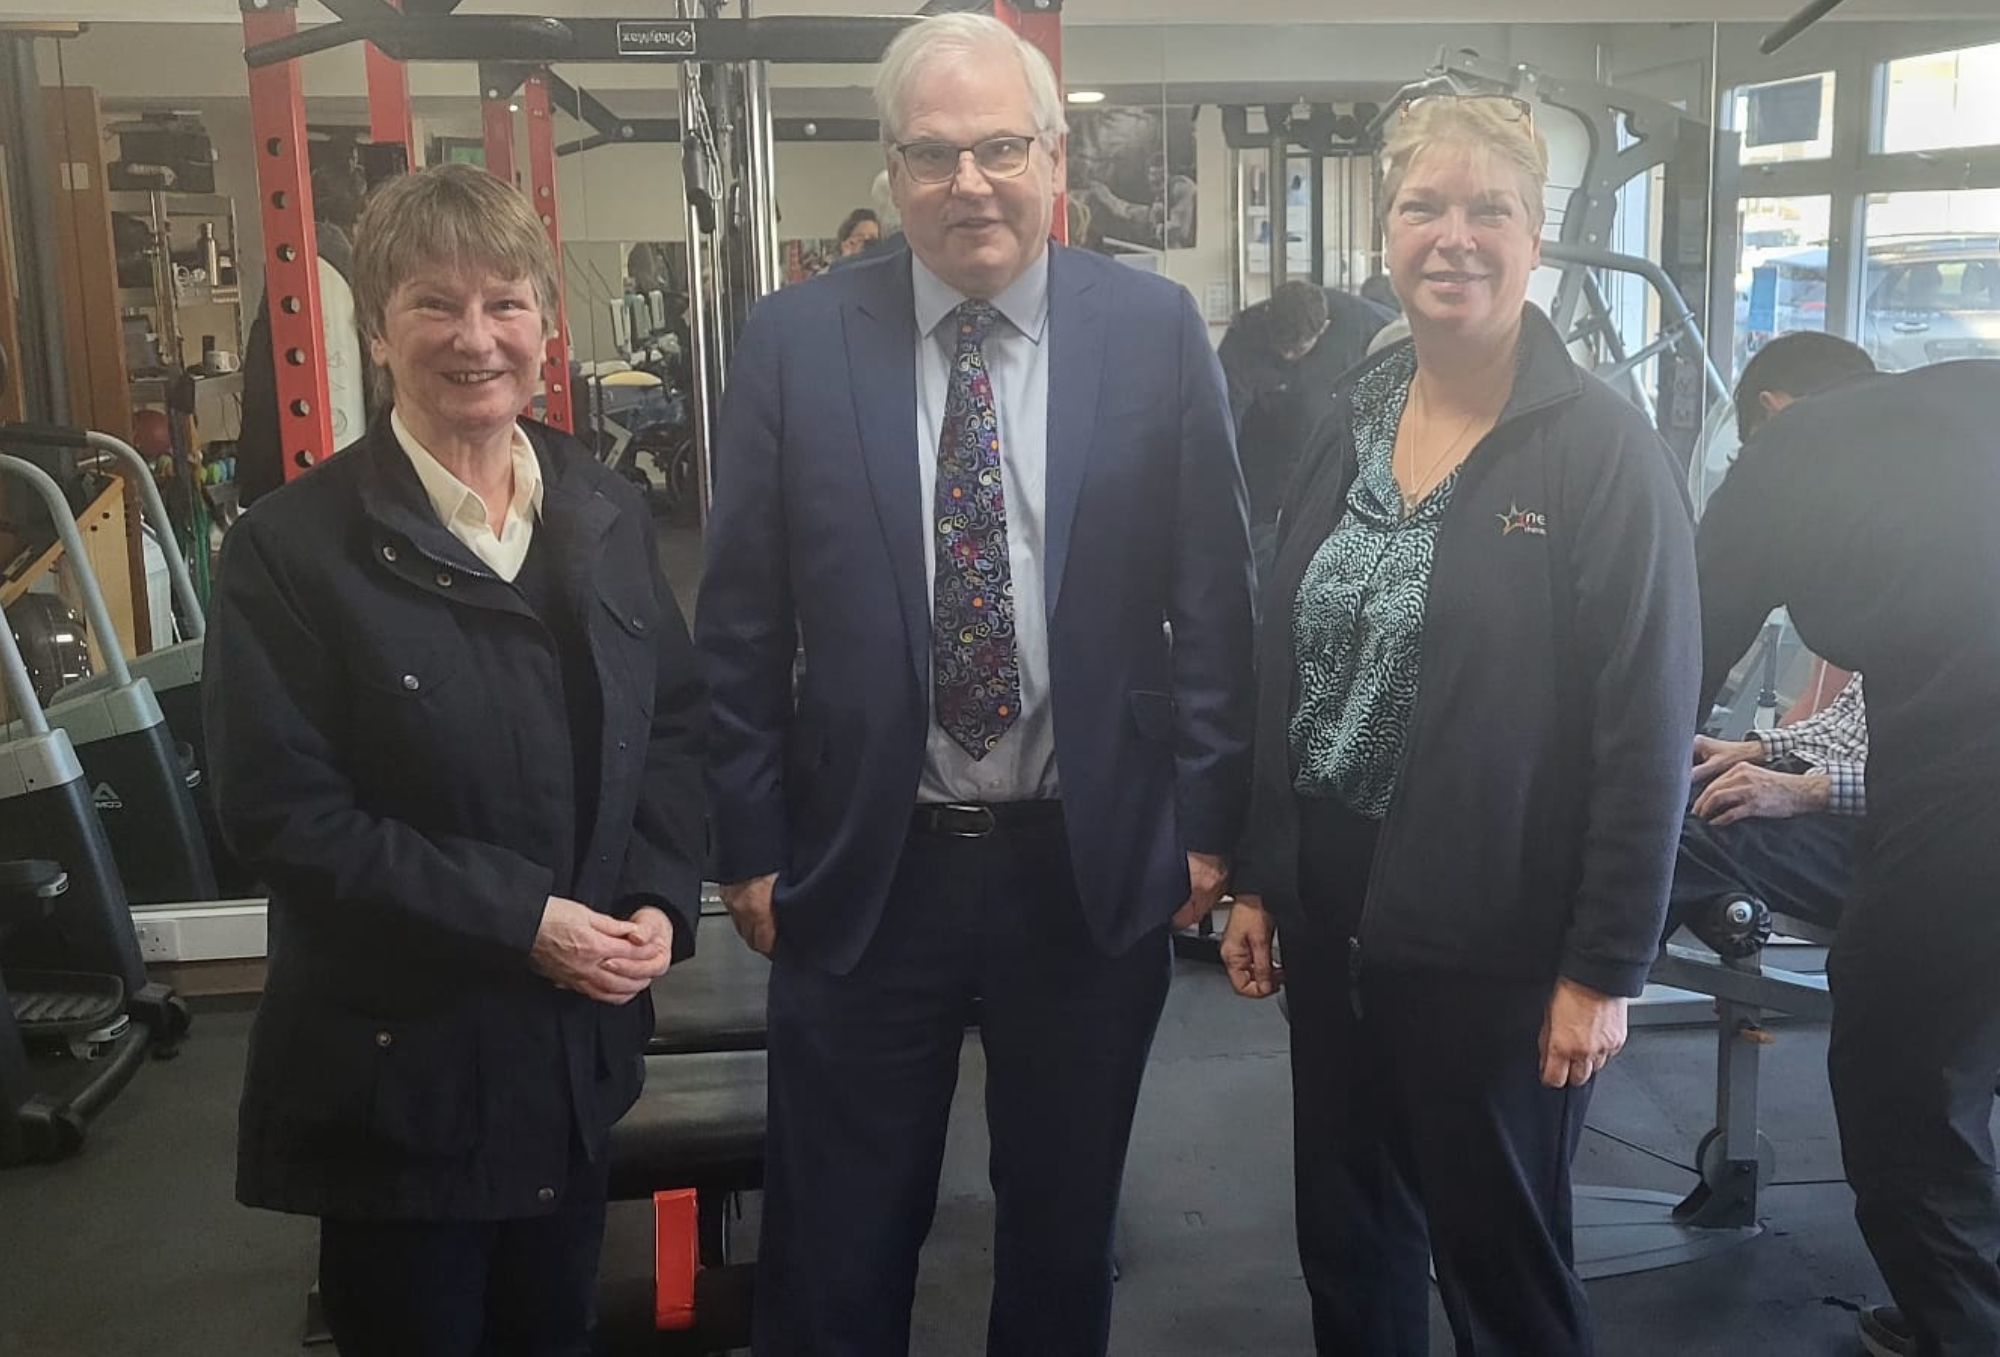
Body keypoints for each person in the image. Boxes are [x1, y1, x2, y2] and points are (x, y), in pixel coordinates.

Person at [697, 14, 1255, 1355]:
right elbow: (738, 623)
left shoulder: (1156, 329)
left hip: (1086, 862)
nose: (970, 183)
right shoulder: (794, 342)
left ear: (1055, 157)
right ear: (893, 171)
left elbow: (1216, 601)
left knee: (1064, 1232)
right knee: (836, 1235)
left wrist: (1206, 825)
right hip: (864, 866)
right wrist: (751, 845)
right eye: (934, 153)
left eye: (1000, 147)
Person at [1219, 94, 1700, 1355]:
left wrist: (1603, 967)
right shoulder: (1350, 424)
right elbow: (1289, 662)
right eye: (1422, 206)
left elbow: (1642, 728)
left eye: (1488, 209)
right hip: (1333, 919)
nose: (1453, 237)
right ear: (1382, 233)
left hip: (1499, 944)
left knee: (1501, 1270)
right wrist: (1265, 874)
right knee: (1350, 1240)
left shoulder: (1598, 454)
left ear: (1535, 239)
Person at [202, 163, 706, 1355]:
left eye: (505, 303)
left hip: (575, 1054)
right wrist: (523, 917)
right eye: (434, 305)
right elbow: (280, 816)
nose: (474, 338)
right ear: (378, 331)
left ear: (546, 324)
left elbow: (673, 725)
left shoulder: (600, 508)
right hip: (403, 1078)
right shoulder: (290, 550)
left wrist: (653, 897)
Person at [1696, 359, 2000, 1357]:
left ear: (1776, 413)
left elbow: (1678, 649)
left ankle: (1957, 1324)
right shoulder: (1958, 407)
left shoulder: (1790, 453)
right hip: (1941, 769)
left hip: (1962, 793)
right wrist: (1767, 752)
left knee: (1898, 1070)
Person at [1669, 333, 1879, 946]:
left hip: (1918, 834)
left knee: (1664, 843)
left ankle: (1576, 1006)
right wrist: (1758, 752)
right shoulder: (1901, 554)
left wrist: (1804, 791)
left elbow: (1957, 775)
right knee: (1634, 814)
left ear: (1778, 414)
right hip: (1855, 800)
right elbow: (1854, 724)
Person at [1233, 281, 1391, 578]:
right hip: (1263, 469)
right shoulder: (1244, 337)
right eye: (1282, 348)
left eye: (1298, 348)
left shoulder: (1363, 322)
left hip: (1328, 465)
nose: (1289, 356)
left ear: (1325, 329)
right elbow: (1223, 420)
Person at [238, 161, 373, 505]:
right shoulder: (326, 264)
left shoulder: (306, 256)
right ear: (358, 216)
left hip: (296, 449)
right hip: (319, 452)